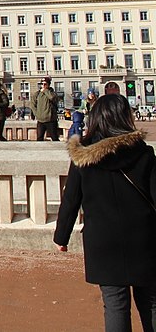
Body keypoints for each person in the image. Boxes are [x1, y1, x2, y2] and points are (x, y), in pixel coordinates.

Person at [55, 94, 156, 331]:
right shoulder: (144, 153)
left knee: (115, 304)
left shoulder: (82, 156)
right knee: (151, 302)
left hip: (103, 241)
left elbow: (71, 199)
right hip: (143, 237)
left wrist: (61, 237)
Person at [31, 77, 60, 141]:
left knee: (54, 137)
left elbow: (52, 98)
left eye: (45, 84)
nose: (43, 86)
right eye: (42, 84)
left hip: (51, 120)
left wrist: (46, 91)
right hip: (41, 120)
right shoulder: (37, 94)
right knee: (39, 138)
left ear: (48, 85)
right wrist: (37, 114)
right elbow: (33, 105)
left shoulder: (52, 93)